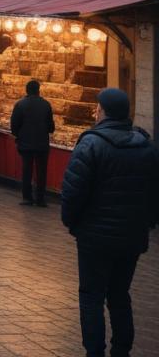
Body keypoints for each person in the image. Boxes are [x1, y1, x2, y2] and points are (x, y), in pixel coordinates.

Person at [60, 88, 159, 357]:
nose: (95, 111)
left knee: (91, 296)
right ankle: (121, 349)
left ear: (103, 111)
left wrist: (73, 224)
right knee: (119, 294)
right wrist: (146, 224)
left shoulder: (91, 144)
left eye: (97, 107)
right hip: (131, 237)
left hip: (94, 237)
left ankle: (95, 351)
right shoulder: (146, 147)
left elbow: (72, 192)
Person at [10, 79, 54, 207]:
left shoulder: (20, 104)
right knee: (41, 171)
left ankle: (27, 197)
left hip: (25, 143)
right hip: (42, 143)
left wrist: (18, 135)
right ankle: (40, 198)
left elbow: (14, 125)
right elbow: (51, 127)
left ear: (26, 90)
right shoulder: (46, 105)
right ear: (38, 90)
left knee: (26, 170)